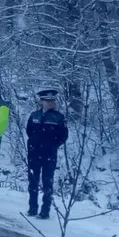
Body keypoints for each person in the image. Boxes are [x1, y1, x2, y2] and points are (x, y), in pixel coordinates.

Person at [26, 88, 68, 219]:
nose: (50, 103)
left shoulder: (58, 117)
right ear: (41, 101)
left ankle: (45, 211)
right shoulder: (34, 115)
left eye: (52, 101)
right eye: (47, 100)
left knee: (47, 183)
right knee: (33, 181)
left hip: (49, 155)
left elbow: (63, 136)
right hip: (34, 153)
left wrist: (52, 145)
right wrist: (34, 144)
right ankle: (32, 208)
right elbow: (29, 131)